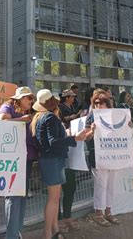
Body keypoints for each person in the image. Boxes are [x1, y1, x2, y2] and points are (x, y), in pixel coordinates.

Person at [31, 89, 87, 239]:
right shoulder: (50, 118)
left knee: (54, 199)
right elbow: (54, 142)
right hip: (53, 160)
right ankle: (48, 234)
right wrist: (74, 138)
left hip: (49, 160)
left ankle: (54, 230)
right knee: (53, 199)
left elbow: (50, 141)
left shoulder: (40, 117)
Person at [0, 87, 37, 239]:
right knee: (13, 196)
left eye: (31, 98)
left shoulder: (27, 111)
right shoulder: (8, 107)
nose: (30, 101)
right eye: (27, 98)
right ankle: (11, 235)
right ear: (19, 98)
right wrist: (22, 120)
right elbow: (1, 122)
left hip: (26, 157)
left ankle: (16, 231)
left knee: (22, 195)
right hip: (12, 159)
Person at [85, 90, 125, 227]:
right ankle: (98, 213)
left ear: (107, 104)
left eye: (101, 103)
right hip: (97, 155)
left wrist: (128, 127)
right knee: (100, 186)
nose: (98, 105)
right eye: (95, 103)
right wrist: (92, 131)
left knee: (110, 186)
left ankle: (109, 211)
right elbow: (86, 137)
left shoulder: (116, 116)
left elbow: (123, 132)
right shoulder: (91, 117)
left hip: (113, 155)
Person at [57, 89, 81, 232]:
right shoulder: (51, 118)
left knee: (70, 186)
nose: (73, 98)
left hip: (66, 157)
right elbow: (54, 141)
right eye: (71, 96)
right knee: (56, 193)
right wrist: (70, 138)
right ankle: (59, 220)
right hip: (56, 160)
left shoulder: (72, 107)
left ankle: (67, 216)